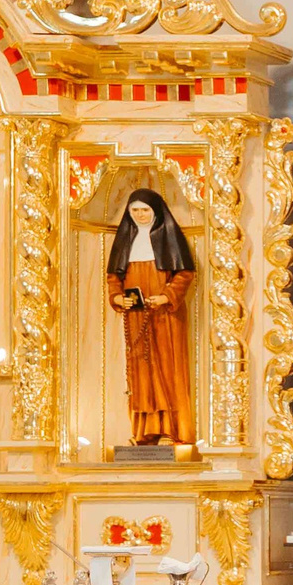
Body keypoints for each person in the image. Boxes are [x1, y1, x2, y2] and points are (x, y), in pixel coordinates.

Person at [105, 188, 197, 446]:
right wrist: (117, 297)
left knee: (167, 370)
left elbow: (184, 274)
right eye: (135, 210)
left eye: (145, 210)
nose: (140, 215)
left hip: (165, 317)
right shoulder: (126, 240)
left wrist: (167, 296)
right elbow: (114, 277)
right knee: (141, 373)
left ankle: (171, 431)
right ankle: (144, 432)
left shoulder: (168, 237)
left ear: (156, 212)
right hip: (136, 317)